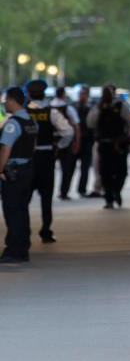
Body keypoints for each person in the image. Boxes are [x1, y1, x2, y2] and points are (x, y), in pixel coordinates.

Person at [25, 78, 74, 243]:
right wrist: (58, 146)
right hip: (46, 157)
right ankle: (46, 231)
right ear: (44, 94)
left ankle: (24, 230)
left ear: (29, 94)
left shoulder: (22, 113)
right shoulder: (51, 112)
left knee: (23, 197)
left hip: (27, 159)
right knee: (46, 197)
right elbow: (68, 132)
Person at [0, 86, 37, 263]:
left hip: (13, 171)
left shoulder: (12, 124)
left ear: (13, 101)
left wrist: (0, 169)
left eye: (6, 100)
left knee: (12, 210)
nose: (4, 103)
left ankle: (12, 249)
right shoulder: (30, 121)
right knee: (22, 209)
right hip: (27, 169)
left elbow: (5, 149)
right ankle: (23, 248)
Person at [87, 85, 130, 209]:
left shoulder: (121, 106)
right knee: (105, 172)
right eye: (104, 93)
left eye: (109, 93)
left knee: (121, 172)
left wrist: (128, 136)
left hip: (119, 144)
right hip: (104, 144)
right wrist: (99, 109)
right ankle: (108, 198)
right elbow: (90, 123)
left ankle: (116, 191)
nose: (106, 95)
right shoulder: (98, 107)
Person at [50, 86, 81, 200]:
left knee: (48, 169)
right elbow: (75, 126)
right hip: (65, 141)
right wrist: (76, 142)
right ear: (63, 94)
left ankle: (47, 189)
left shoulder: (49, 108)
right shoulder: (68, 108)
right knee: (66, 169)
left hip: (51, 142)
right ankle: (64, 191)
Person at [74, 85, 96, 197]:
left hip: (87, 140)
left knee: (85, 167)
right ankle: (64, 190)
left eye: (83, 94)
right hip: (75, 140)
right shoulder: (74, 107)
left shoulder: (92, 107)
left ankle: (81, 189)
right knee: (70, 167)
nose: (81, 96)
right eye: (80, 94)